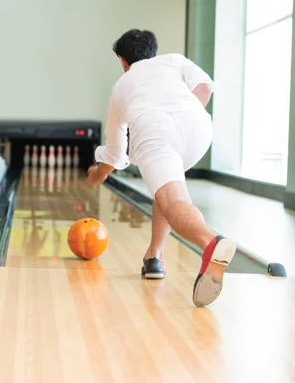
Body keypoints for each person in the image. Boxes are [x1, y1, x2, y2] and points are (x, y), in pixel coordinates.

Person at [84, 29, 236, 307]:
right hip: (198, 125)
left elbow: (116, 151)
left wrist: (99, 173)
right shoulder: (174, 60)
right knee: (166, 190)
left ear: (123, 61)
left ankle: (211, 242)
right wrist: (182, 113)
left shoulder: (121, 86)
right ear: (153, 51)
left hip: (155, 129)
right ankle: (154, 257)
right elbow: (204, 87)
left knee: (173, 199)